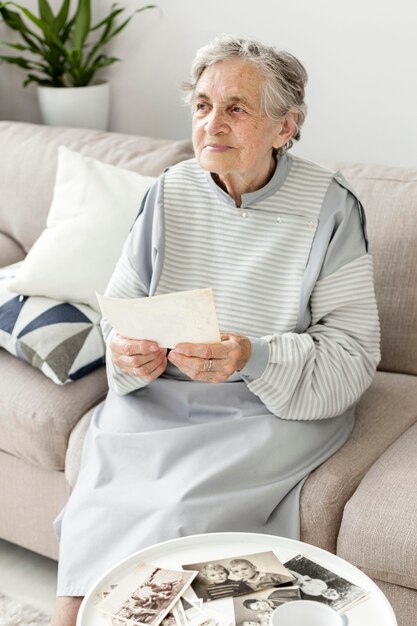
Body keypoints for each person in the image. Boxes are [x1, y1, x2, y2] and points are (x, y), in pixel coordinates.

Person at [50, 33, 380, 626]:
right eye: (203, 106)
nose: (213, 124)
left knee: (179, 517)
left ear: (286, 127)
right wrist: (127, 351)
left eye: (236, 108)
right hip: (161, 399)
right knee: (97, 507)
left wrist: (251, 355)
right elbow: (120, 309)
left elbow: (353, 356)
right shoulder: (170, 191)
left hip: (266, 410)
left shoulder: (332, 207)